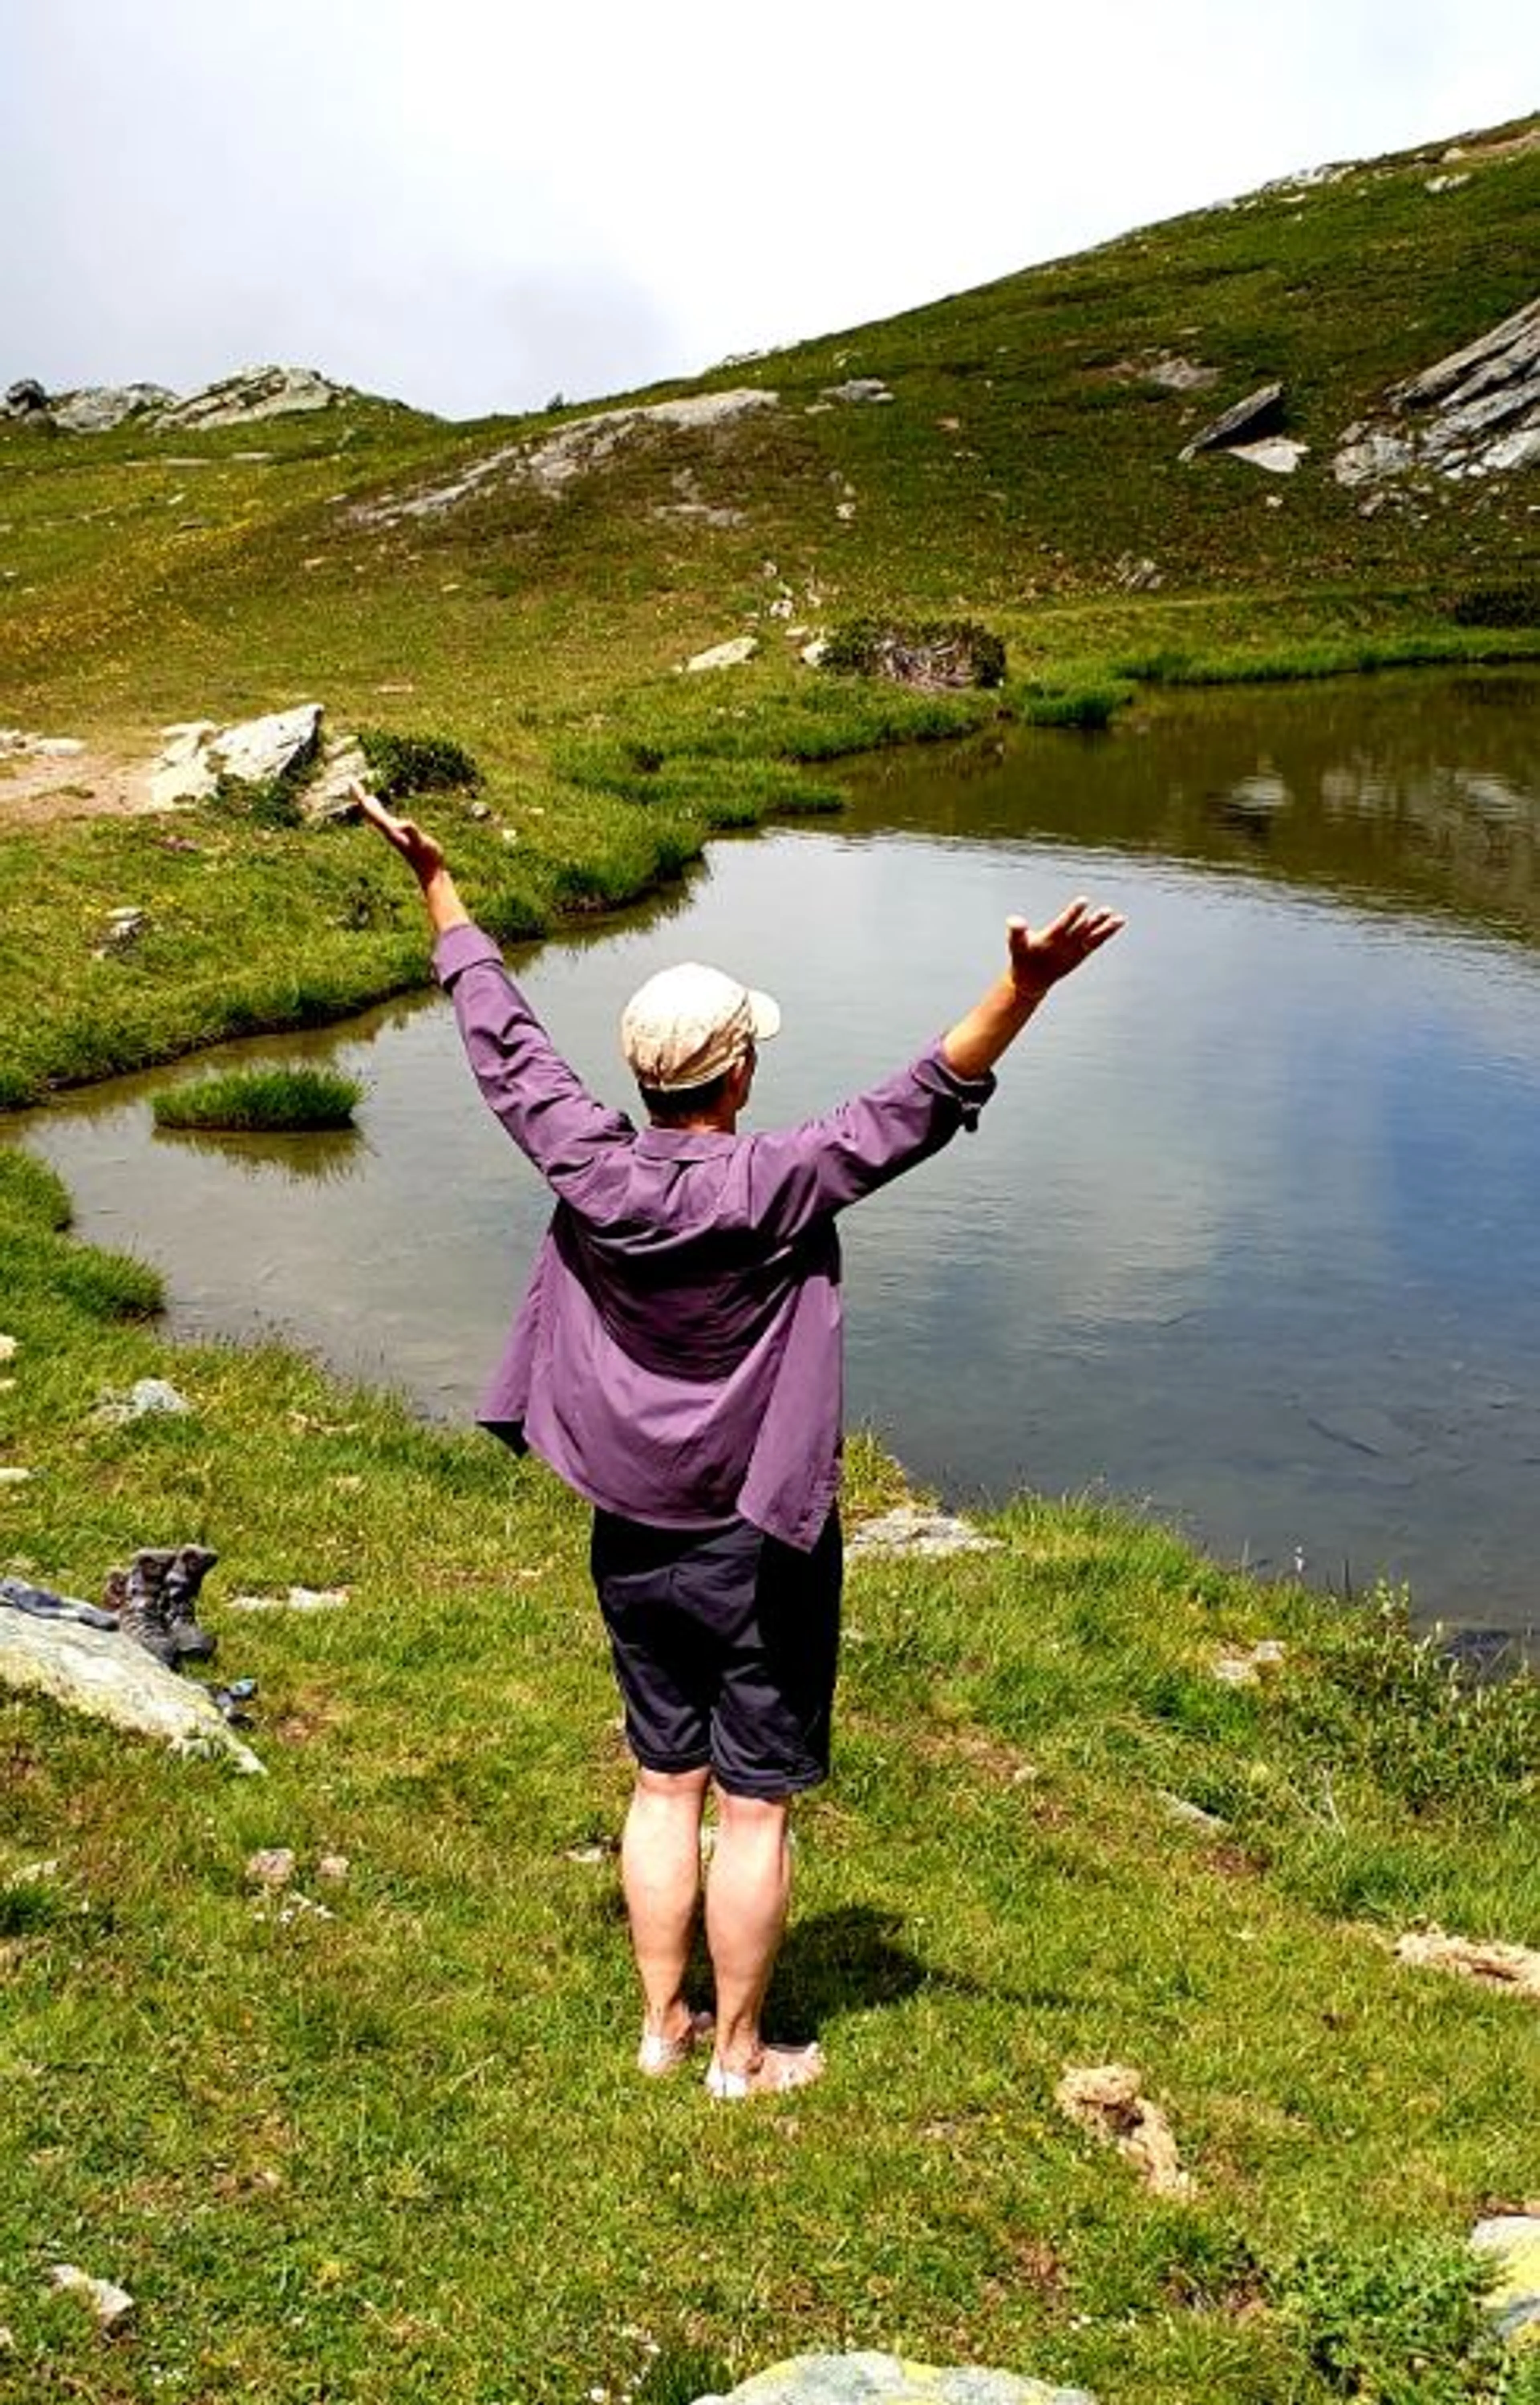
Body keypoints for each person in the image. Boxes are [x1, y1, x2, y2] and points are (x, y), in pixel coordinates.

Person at [359, 787, 1123, 2097]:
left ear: (648, 1077)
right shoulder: (782, 1180)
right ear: (740, 1071)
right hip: (760, 1542)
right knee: (753, 1802)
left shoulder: (587, 1164)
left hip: (632, 1528)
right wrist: (1030, 988)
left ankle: (661, 2031)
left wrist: (440, 888)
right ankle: (741, 2055)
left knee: (665, 1783)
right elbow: (929, 1091)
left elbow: (506, 1046)